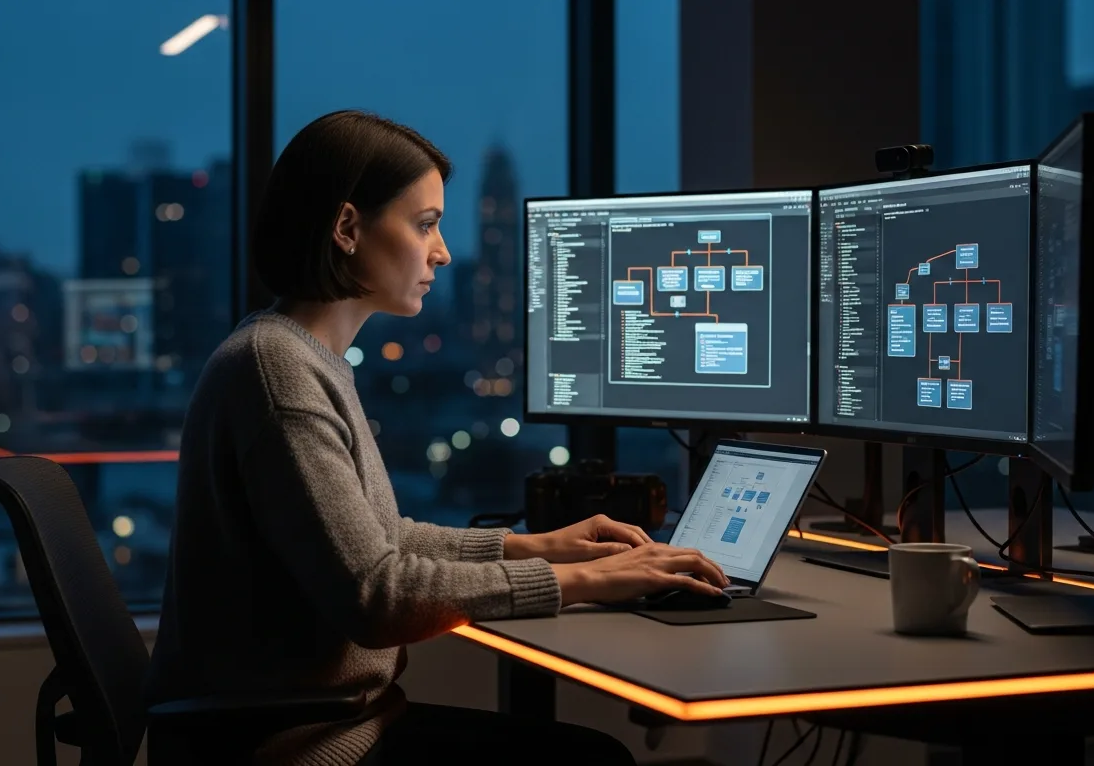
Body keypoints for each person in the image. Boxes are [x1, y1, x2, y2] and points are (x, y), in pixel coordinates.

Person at [144, 110, 732, 765]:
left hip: (322, 721)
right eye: (425, 224)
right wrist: (585, 578)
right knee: (592, 759)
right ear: (347, 228)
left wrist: (531, 545)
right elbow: (379, 598)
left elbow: (379, 539)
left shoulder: (301, 358)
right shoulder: (277, 371)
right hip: (292, 743)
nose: (443, 252)